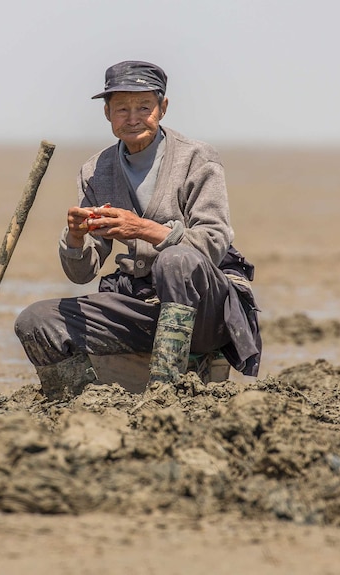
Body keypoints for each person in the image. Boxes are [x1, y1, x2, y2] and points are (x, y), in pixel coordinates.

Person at [14, 60, 261, 399]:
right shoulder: (95, 171)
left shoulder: (197, 158)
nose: (132, 117)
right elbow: (82, 272)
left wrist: (143, 229)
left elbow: (212, 243)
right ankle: (82, 402)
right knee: (35, 321)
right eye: (121, 109)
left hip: (206, 311)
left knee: (176, 262)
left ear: (163, 107)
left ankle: (165, 394)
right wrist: (74, 237)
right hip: (143, 304)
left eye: (144, 106)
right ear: (106, 113)